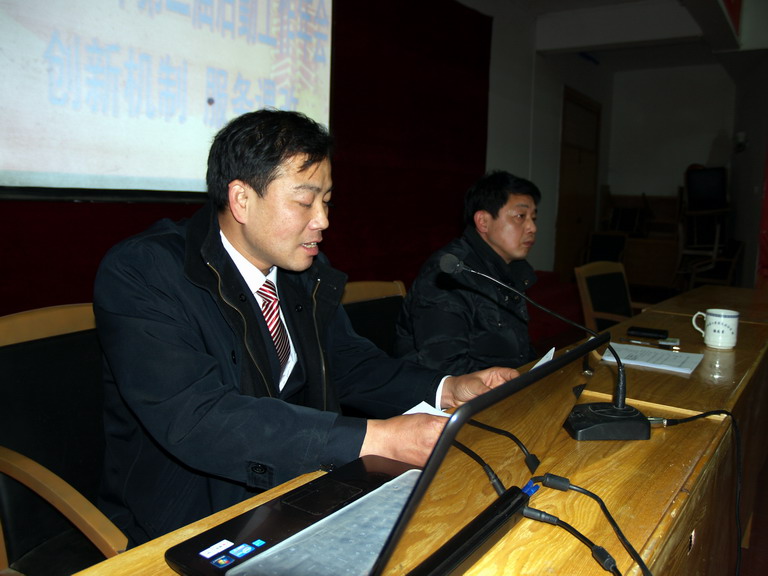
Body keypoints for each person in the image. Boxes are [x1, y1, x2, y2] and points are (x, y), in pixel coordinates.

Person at [93, 109, 518, 546]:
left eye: (327, 201)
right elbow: (198, 418)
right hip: (189, 516)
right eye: (304, 201)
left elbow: (349, 364)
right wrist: (374, 439)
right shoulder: (144, 272)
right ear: (241, 199)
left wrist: (447, 388)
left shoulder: (302, 271)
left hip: (296, 491)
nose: (323, 220)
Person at [395, 170, 541, 373]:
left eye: (533, 218)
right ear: (483, 221)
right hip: (457, 390)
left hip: (503, 384)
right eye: (520, 216)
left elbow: (517, 352)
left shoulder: (510, 269)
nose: (532, 228)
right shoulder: (449, 274)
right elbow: (444, 366)